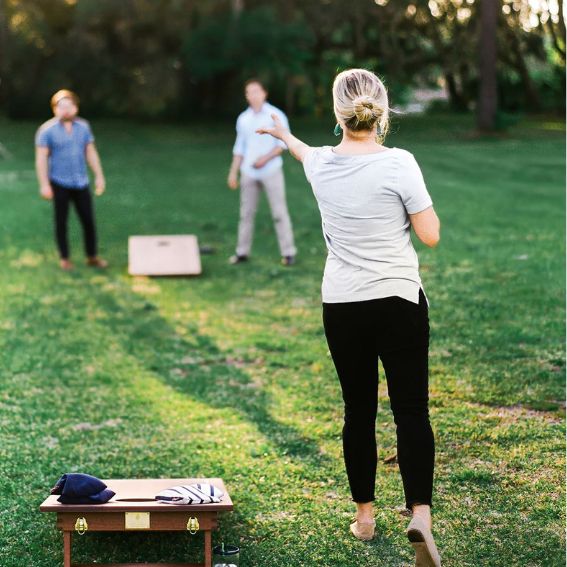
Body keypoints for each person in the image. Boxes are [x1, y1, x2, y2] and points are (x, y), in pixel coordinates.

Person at [257, 68, 441, 566]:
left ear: (338, 113)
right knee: (411, 409)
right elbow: (430, 235)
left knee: (358, 411)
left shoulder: (320, 164)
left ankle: (364, 516)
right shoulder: (400, 164)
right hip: (399, 300)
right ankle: (419, 512)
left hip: (342, 305)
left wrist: (283, 135)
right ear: (381, 110)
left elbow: (303, 151)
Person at [35, 89, 108, 270]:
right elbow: (41, 159)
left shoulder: (83, 127)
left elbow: (90, 152)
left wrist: (99, 175)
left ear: (76, 107)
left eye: (69, 106)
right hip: (59, 182)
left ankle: (92, 256)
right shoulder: (47, 131)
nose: (65, 110)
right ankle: (65, 258)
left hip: (81, 182)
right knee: (62, 222)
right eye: (61, 106)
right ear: (54, 109)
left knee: (88, 221)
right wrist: (44, 184)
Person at [227, 79, 297, 266]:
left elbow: (283, 143)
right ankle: (242, 252)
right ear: (247, 96)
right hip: (248, 173)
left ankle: (288, 253)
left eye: (256, 91)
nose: (253, 95)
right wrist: (234, 172)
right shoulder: (243, 119)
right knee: (246, 214)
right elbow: (239, 147)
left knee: (279, 213)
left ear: (264, 93)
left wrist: (264, 159)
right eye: (249, 92)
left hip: (271, 171)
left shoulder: (276, 115)